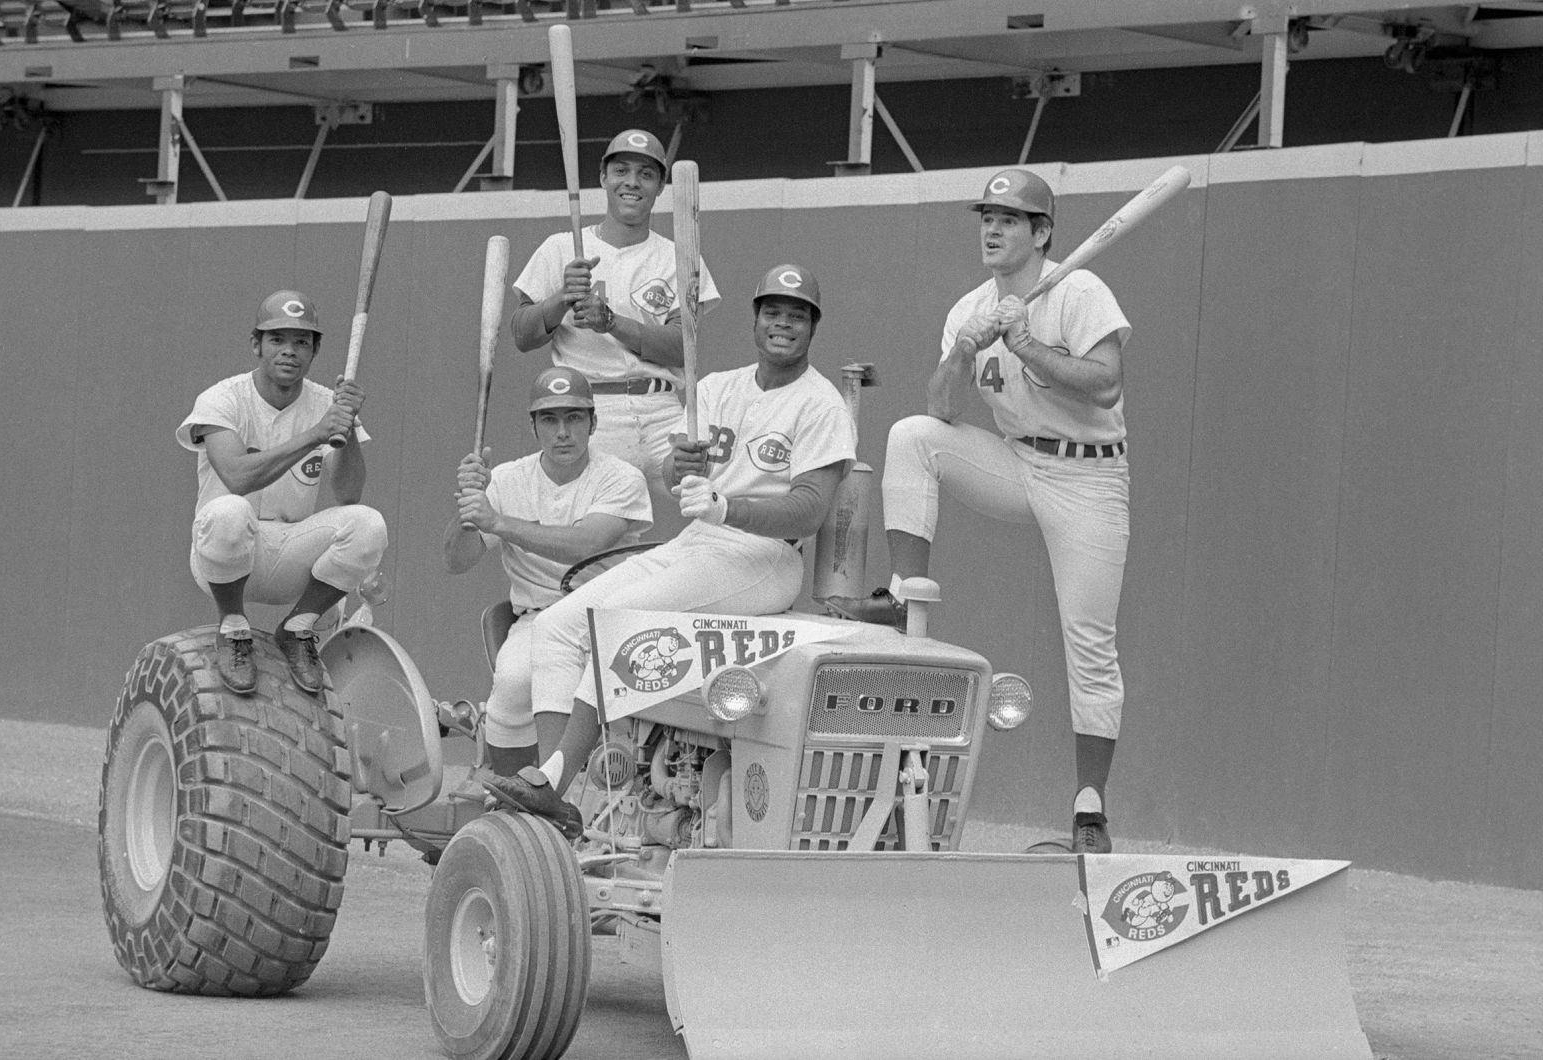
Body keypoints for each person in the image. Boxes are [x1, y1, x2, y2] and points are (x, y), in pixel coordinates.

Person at [482, 264, 856, 837]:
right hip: (701, 541)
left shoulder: (821, 403)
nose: (784, 324)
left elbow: (810, 508)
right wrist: (676, 466)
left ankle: (554, 780)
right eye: (774, 311)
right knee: (559, 626)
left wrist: (728, 507)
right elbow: (669, 466)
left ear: (814, 327)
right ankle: (550, 785)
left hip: (766, 557)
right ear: (755, 320)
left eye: (798, 314)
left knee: (614, 622)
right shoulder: (715, 388)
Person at [821, 169, 1133, 855]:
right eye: (986, 217)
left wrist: (1026, 344)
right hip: (1017, 462)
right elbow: (945, 408)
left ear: (1042, 233)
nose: (992, 229)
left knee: (1089, 640)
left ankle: (1089, 807)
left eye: (1010, 219)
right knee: (912, 436)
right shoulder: (971, 306)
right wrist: (969, 343)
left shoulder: (1079, 290)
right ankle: (906, 595)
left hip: (1088, 475)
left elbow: (1105, 386)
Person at [442, 366, 652, 776]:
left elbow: (585, 544)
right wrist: (471, 504)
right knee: (513, 683)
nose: (563, 432)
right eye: (550, 419)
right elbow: (456, 560)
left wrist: (499, 522)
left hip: (607, 620)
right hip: (537, 619)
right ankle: (512, 798)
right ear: (533, 426)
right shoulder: (505, 479)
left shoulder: (622, 477)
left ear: (593, 422)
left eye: (574, 418)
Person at [176, 290, 388, 696]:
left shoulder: (327, 402)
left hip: (291, 550)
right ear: (256, 345)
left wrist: (348, 429)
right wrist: (314, 435)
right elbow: (237, 476)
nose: (289, 351)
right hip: (224, 556)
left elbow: (348, 492)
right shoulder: (223, 398)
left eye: (301, 342)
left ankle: (298, 627)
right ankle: (233, 629)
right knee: (229, 511)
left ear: (315, 350)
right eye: (277, 340)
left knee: (369, 525)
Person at [510, 128, 720, 498]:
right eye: (621, 170)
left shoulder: (679, 255)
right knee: (596, 527)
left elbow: (680, 349)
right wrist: (561, 298)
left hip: (662, 410)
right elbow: (521, 336)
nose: (632, 183)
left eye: (646, 174)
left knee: (708, 492)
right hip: (592, 409)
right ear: (603, 178)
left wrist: (610, 322)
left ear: (660, 187)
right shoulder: (561, 248)